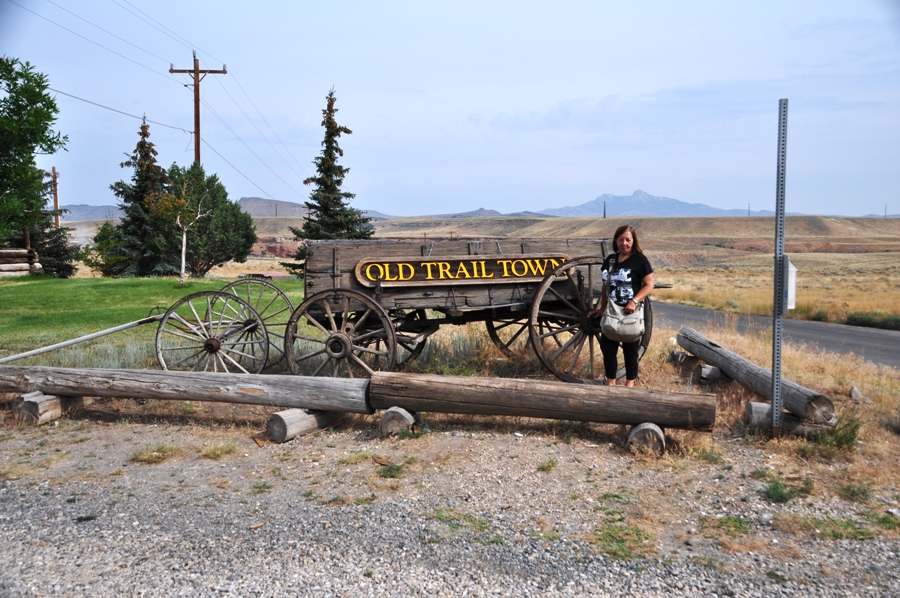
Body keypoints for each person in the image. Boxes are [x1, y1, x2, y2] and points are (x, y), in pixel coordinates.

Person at [588, 224, 654, 387]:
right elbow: (605, 285)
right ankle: (611, 385)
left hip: (630, 312)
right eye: (621, 239)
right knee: (608, 349)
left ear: (633, 241)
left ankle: (629, 387)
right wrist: (602, 308)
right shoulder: (610, 260)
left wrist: (634, 301)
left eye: (628, 240)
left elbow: (649, 284)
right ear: (616, 241)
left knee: (630, 351)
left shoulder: (640, 260)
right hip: (611, 312)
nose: (624, 243)